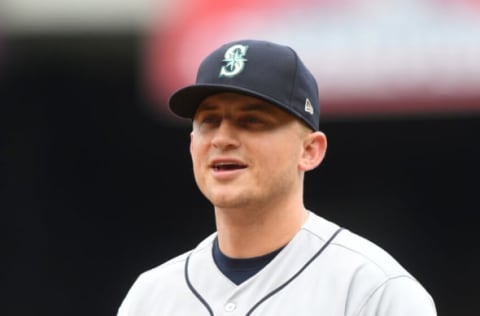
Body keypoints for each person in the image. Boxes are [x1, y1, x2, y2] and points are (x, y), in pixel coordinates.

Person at [118, 39, 436, 315]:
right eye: (209, 120)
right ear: (192, 146)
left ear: (310, 150)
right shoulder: (151, 297)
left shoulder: (372, 289)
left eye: (252, 120)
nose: (222, 138)